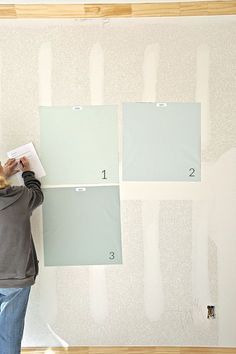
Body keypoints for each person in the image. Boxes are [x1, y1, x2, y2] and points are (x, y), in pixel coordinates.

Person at [0, 156, 44, 354]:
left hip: (16, 278)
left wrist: (3, 175)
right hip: (17, 278)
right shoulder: (21, 196)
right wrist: (27, 173)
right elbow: (38, 194)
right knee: (10, 333)